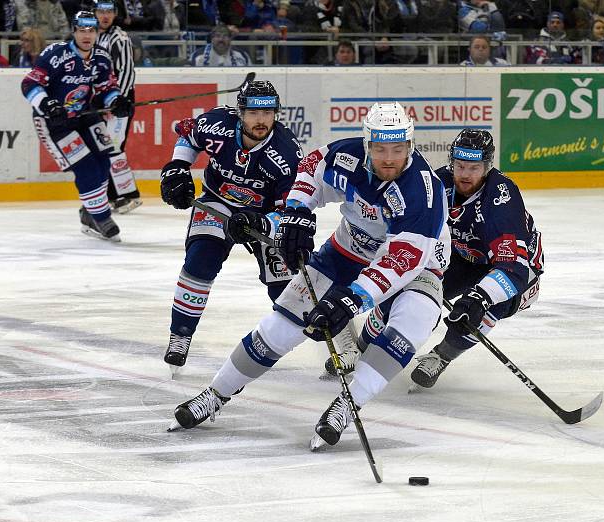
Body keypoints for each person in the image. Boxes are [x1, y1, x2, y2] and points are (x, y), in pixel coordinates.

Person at [169, 102, 451, 451]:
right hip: (348, 250)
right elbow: (310, 167)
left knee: (409, 326)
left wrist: (352, 300)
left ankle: (347, 406)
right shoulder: (347, 157)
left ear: (410, 146)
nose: (389, 158)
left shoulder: (421, 192)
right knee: (279, 326)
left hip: (417, 267)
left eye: (397, 149)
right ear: (367, 145)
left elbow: (401, 261)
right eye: (379, 148)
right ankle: (216, 393)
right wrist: (295, 214)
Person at [320, 129, 544, 389]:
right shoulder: (438, 182)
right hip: (462, 257)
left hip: (517, 269)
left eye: (474, 168)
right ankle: (361, 349)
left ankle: (442, 355)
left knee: (482, 309)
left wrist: (480, 296)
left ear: (488, 166)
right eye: (460, 166)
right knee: (404, 289)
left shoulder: (500, 198)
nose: (465, 174)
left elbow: (512, 265)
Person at [159, 80, 302, 374]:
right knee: (200, 260)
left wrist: (261, 222)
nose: (261, 120)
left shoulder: (288, 155)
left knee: (286, 292)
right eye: (253, 112)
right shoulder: (215, 124)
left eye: (267, 112)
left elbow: (289, 212)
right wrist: (177, 168)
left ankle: (341, 340)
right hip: (217, 202)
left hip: (263, 217)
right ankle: (181, 334)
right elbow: (188, 135)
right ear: (240, 112)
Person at [21, 11, 132, 241]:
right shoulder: (55, 54)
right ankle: (101, 217)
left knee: (103, 162)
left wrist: (117, 101)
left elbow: (106, 87)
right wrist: (48, 104)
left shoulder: (101, 56)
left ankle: (89, 213)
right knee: (86, 167)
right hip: (55, 121)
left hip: (85, 115)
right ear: (74, 31)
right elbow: (29, 83)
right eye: (82, 30)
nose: (87, 35)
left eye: (91, 30)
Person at [95, 0, 142, 214]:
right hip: (102, 101)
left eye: (109, 11)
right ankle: (116, 195)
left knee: (113, 147)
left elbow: (126, 72)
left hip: (118, 102)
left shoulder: (119, 38)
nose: (105, 15)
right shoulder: (94, 35)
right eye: (101, 11)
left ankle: (126, 195)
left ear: (115, 14)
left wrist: (117, 101)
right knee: (106, 147)